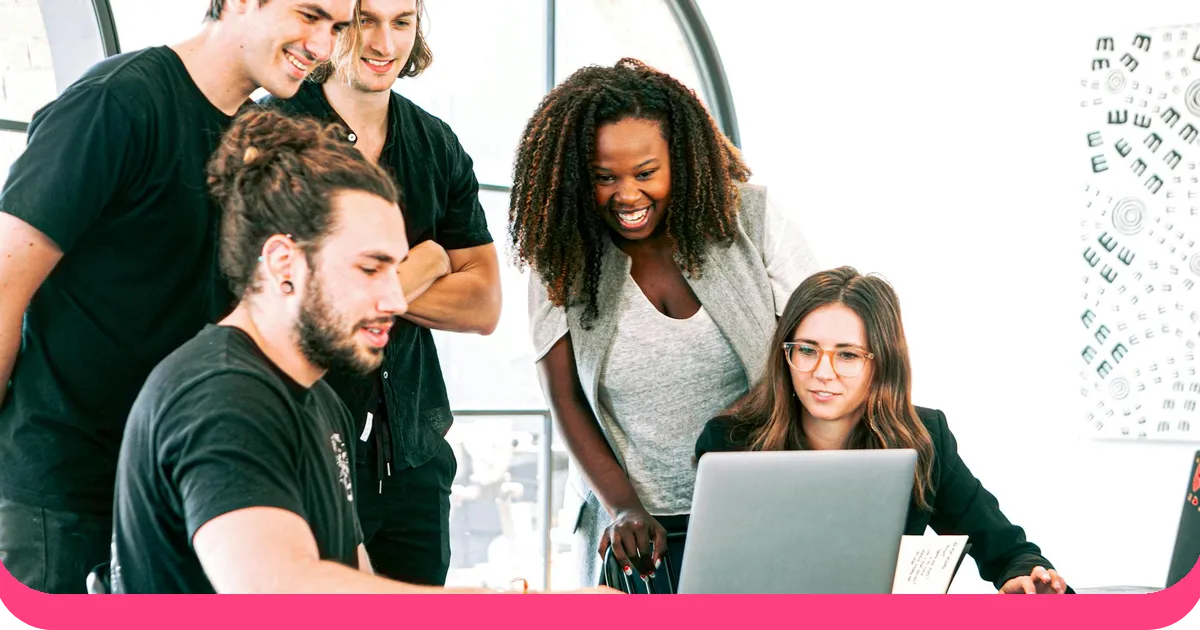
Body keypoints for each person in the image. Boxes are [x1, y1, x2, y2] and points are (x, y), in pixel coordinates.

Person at [110, 109, 613, 595]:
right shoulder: (220, 397)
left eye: (396, 270)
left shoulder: (320, 402)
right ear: (284, 263)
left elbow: (360, 591)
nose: (397, 299)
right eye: (371, 269)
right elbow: (279, 592)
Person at [0, 0, 353, 593]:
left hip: (178, 493)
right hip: (66, 497)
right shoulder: (116, 103)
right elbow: (4, 287)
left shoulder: (258, 138)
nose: (322, 47)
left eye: (336, 28)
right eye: (309, 15)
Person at [514, 58, 819, 587]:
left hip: (759, 506)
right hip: (633, 529)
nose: (627, 196)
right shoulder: (560, 254)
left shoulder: (753, 218)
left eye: (646, 173)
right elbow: (565, 400)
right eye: (604, 177)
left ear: (681, 159)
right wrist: (624, 508)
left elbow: (814, 356)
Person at [262, 0, 501, 586]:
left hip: (413, 460)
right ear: (335, 22)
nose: (383, 43)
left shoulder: (436, 143)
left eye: (402, 22)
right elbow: (281, 294)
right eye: (366, 19)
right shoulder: (272, 133)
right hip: (304, 454)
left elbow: (484, 303)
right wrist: (424, 264)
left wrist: (359, 284)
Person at [695, 267, 1071, 595]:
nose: (822, 372)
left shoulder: (923, 437)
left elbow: (1005, 548)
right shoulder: (729, 444)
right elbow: (711, 577)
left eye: (847, 355)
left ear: (881, 363)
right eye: (807, 350)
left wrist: (1023, 573)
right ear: (786, 354)